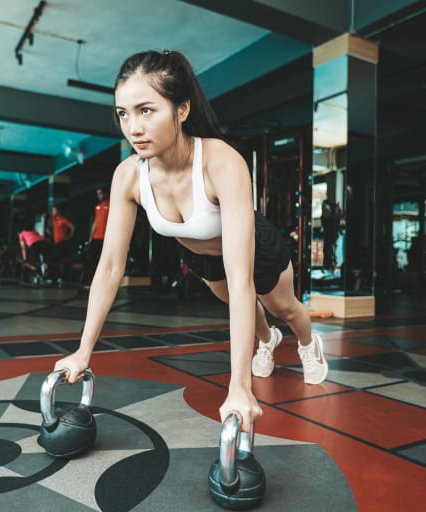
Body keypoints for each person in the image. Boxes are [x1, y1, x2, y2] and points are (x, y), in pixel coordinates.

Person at [53, 50, 328, 433]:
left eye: (146, 110)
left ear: (181, 110)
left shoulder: (221, 162)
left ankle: (306, 343)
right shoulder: (128, 176)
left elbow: (240, 273)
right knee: (240, 305)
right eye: (123, 113)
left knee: (281, 305)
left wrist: (239, 388)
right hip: (203, 258)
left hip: (253, 247)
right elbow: (111, 266)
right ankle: (267, 341)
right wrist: (83, 352)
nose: (133, 127)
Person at [82, 186, 110, 284]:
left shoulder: (111, 205)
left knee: (104, 260)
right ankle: (88, 279)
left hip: (106, 238)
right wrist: (90, 237)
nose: (99, 196)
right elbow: (95, 222)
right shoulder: (97, 206)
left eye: (100, 193)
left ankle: (103, 281)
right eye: (98, 194)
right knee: (90, 259)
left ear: (106, 194)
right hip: (96, 237)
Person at [45, 204, 75, 283]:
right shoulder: (54, 219)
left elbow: (72, 226)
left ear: (58, 211)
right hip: (56, 243)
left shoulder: (63, 219)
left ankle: (59, 277)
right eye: (52, 210)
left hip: (62, 243)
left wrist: (69, 237)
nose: (53, 212)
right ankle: (56, 277)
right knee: (54, 260)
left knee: (56, 259)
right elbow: (47, 217)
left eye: (54, 210)